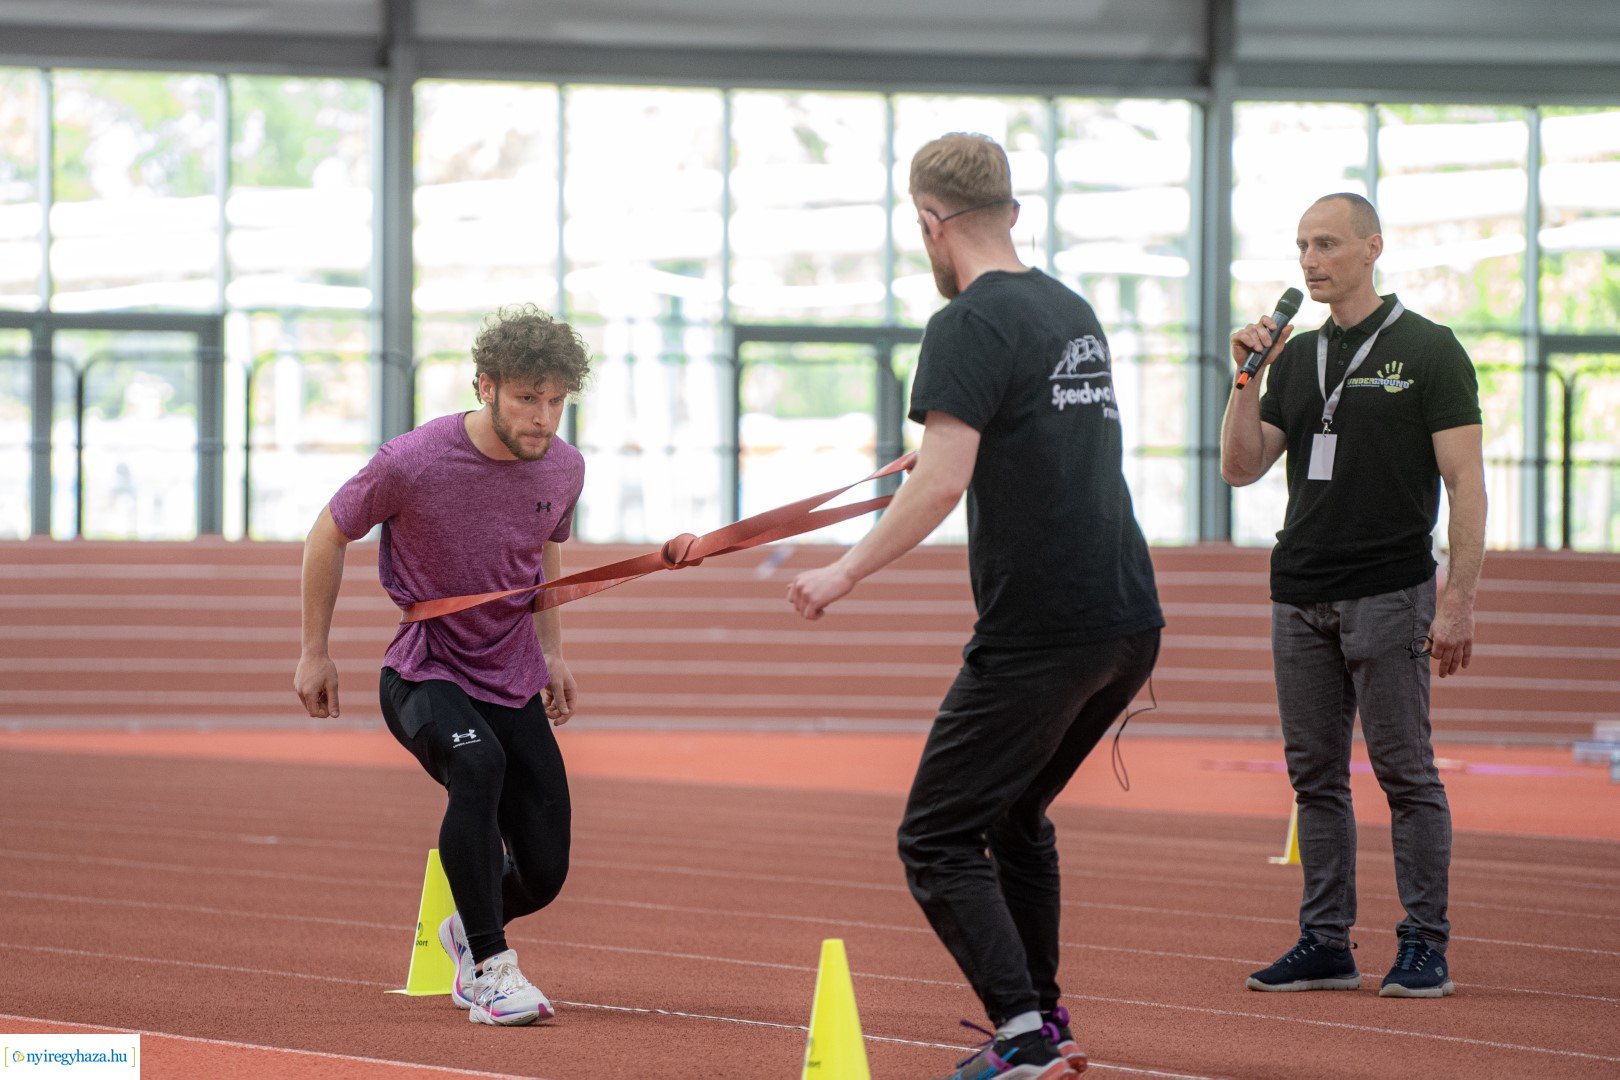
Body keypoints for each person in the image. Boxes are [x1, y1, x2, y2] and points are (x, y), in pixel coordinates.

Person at [788, 133, 1163, 1080]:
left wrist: (844, 571)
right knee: (1018, 813)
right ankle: (1046, 1015)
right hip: (1128, 620)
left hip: (1044, 626)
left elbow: (941, 484)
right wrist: (961, 441)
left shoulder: (962, 324)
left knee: (936, 835)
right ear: (1013, 212)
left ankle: (1023, 1034)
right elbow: (1033, 436)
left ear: (929, 221)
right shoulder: (1069, 309)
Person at [1221, 192, 1486, 999]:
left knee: (1406, 774)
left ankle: (1423, 945)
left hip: (1391, 591)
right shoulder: (1296, 360)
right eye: (1302, 245)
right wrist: (1245, 378)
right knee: (1315, 781)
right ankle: (1325, 941)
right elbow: (1239, 466)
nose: (1310, 260)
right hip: (1299, 592)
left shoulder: (1430, 350)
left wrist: (1458, 601)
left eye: (1327, 244)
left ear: (1373, 247)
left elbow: (1466, 482)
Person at [294, 304, 589, 1026]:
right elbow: (326, 537)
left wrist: (553, 652)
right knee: (478, 766)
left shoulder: (565, 466)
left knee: (546, 871)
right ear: (485, 386)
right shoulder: (412, 461)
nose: (544, 417)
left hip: (512, 674)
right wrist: (315, 651)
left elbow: (543, 553)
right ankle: (489, 967)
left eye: (556, 400)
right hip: (425, 673)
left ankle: (466, 927)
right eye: (527, 397)